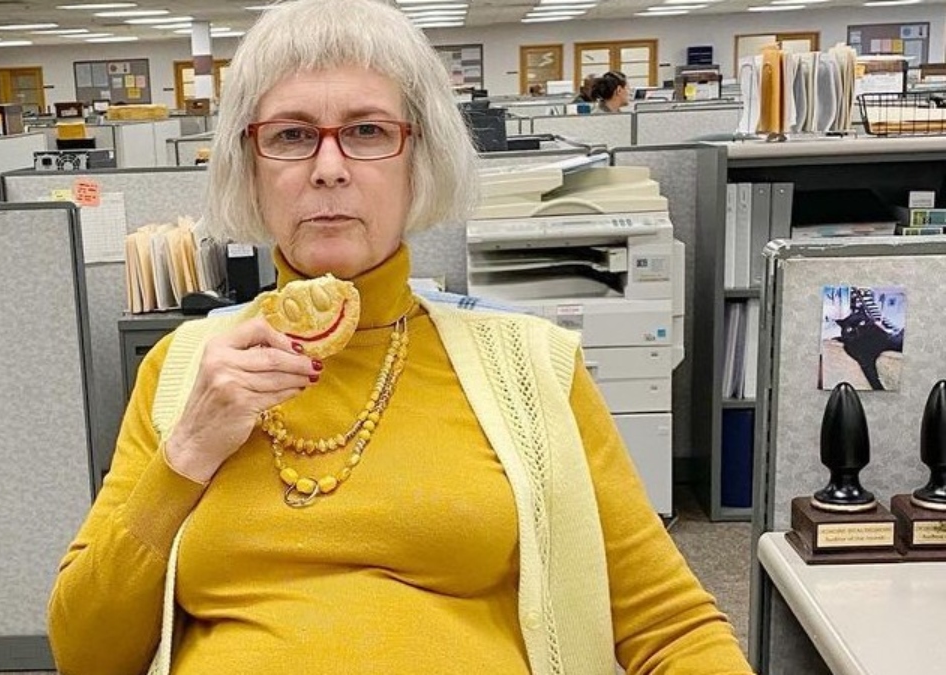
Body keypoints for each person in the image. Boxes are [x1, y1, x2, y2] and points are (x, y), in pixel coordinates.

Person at [47, 0, 755, 673]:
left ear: (417, 160)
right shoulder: (182, 374)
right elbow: (85, 652)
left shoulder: (532, 370)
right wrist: (187, 454)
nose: (328, 167)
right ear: (250, 166)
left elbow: (670, 624)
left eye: (367, 131)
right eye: (291, 135)